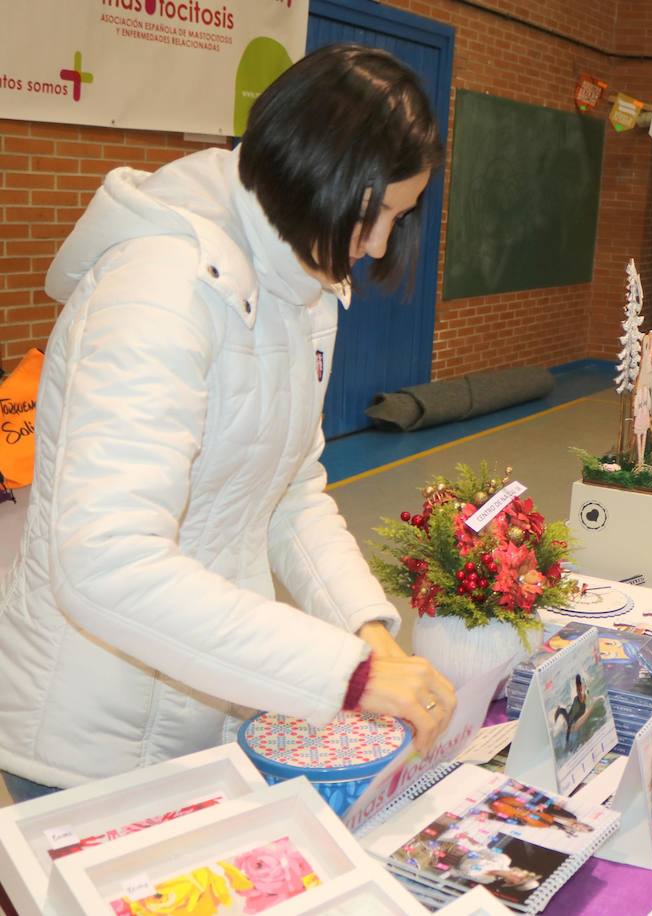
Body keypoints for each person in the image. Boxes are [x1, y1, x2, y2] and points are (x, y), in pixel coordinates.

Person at [0, 45, 458, 803]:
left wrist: (362, 629)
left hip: (210, 701)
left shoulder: (302, 278)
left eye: (396, 220)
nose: (378, 246)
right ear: (318, 172)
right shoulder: (155, 290)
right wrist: (341, 672)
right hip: (90, 743)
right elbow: (104, 561)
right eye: (374, 216)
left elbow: (289, 490)